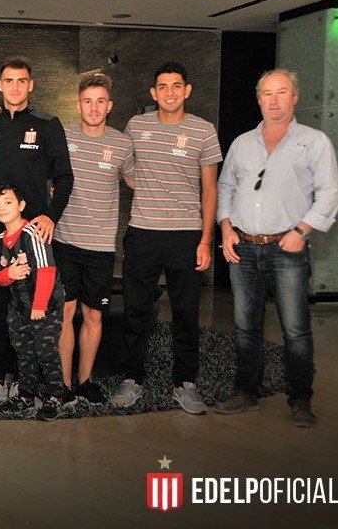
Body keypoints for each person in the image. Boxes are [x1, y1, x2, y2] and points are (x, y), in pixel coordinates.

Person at [216, 69, 338, 428]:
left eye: (281, 92)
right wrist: (225, 227)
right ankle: (245, 393)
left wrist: (302, 229)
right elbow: (225, 188)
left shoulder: (314, 142)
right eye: (267, 94)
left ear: (295, 97)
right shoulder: (242, 143)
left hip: (288, 249)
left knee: (296, 329)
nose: (273, 100)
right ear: (259, 100)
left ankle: (300, 400)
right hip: (243, 249)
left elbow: (330, 192)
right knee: (244, 327)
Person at [110, 62, 222, 415]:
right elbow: (126, 169)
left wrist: (205, 240)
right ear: (153, 93)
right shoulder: (136, 126)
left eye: (176, 86)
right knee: (136, 311)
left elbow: (210, 189)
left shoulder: (204, 131)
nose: (170, 92)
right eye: (163, 86)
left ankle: (185, 383)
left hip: (186, 235)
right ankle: (132, 379)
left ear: (187, 90)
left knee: (187, 312)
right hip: (143, 232)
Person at [0, 55, 73, 404]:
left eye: (21, 81)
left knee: (32, 307)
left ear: (30, 85)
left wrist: (52, 216)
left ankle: (27, 381)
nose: (15, 87)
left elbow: (64, 177)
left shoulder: (47, 124)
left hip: (33, 235)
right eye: (8, 81)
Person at [53, 73, 133, 404]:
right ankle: (63, 384)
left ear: (109, 106)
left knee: (94, 315)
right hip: (64, 241)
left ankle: (85, 381)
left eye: (101, 101)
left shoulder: (121, 144)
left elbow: (138, 182)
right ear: (78, 105)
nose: (94, 107)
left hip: (100, 246)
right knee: (65, 312)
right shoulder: (62, 135)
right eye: (88, 101)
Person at [0, 184, 68, 420]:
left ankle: (56, 396)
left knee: (46, 352)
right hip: (19, 308)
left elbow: (46, 270)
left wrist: (39, 306)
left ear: (21, 206)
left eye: (8, 202)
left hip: (45, 307)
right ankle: (26, 395)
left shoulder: (33, 233)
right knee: (24, 353)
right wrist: (9, 274)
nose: (2, 208)